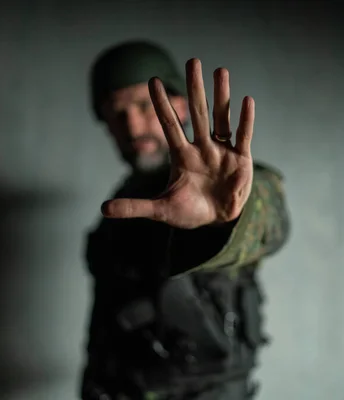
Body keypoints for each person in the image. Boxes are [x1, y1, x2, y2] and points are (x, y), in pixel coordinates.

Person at [80, 40, 291, 400]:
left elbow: (268, 221)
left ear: (180, 105)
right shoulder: (123, 204)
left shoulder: (226, 183)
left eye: (144, 106)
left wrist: (225, 219)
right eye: (118, 113)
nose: (133, 127)